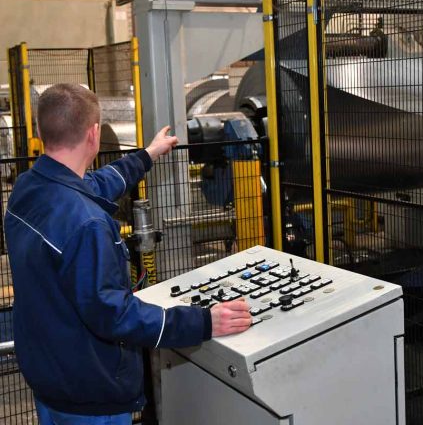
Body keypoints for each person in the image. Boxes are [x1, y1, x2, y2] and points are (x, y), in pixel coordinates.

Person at [5, 83, 252, 425]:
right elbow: (114, 315)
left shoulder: (29, 188)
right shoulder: (88, 224)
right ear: (94, 134)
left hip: (51, 376)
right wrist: (204, 321)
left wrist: (148, 154)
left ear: (39, 129)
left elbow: (96, 185)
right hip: (91, 395)